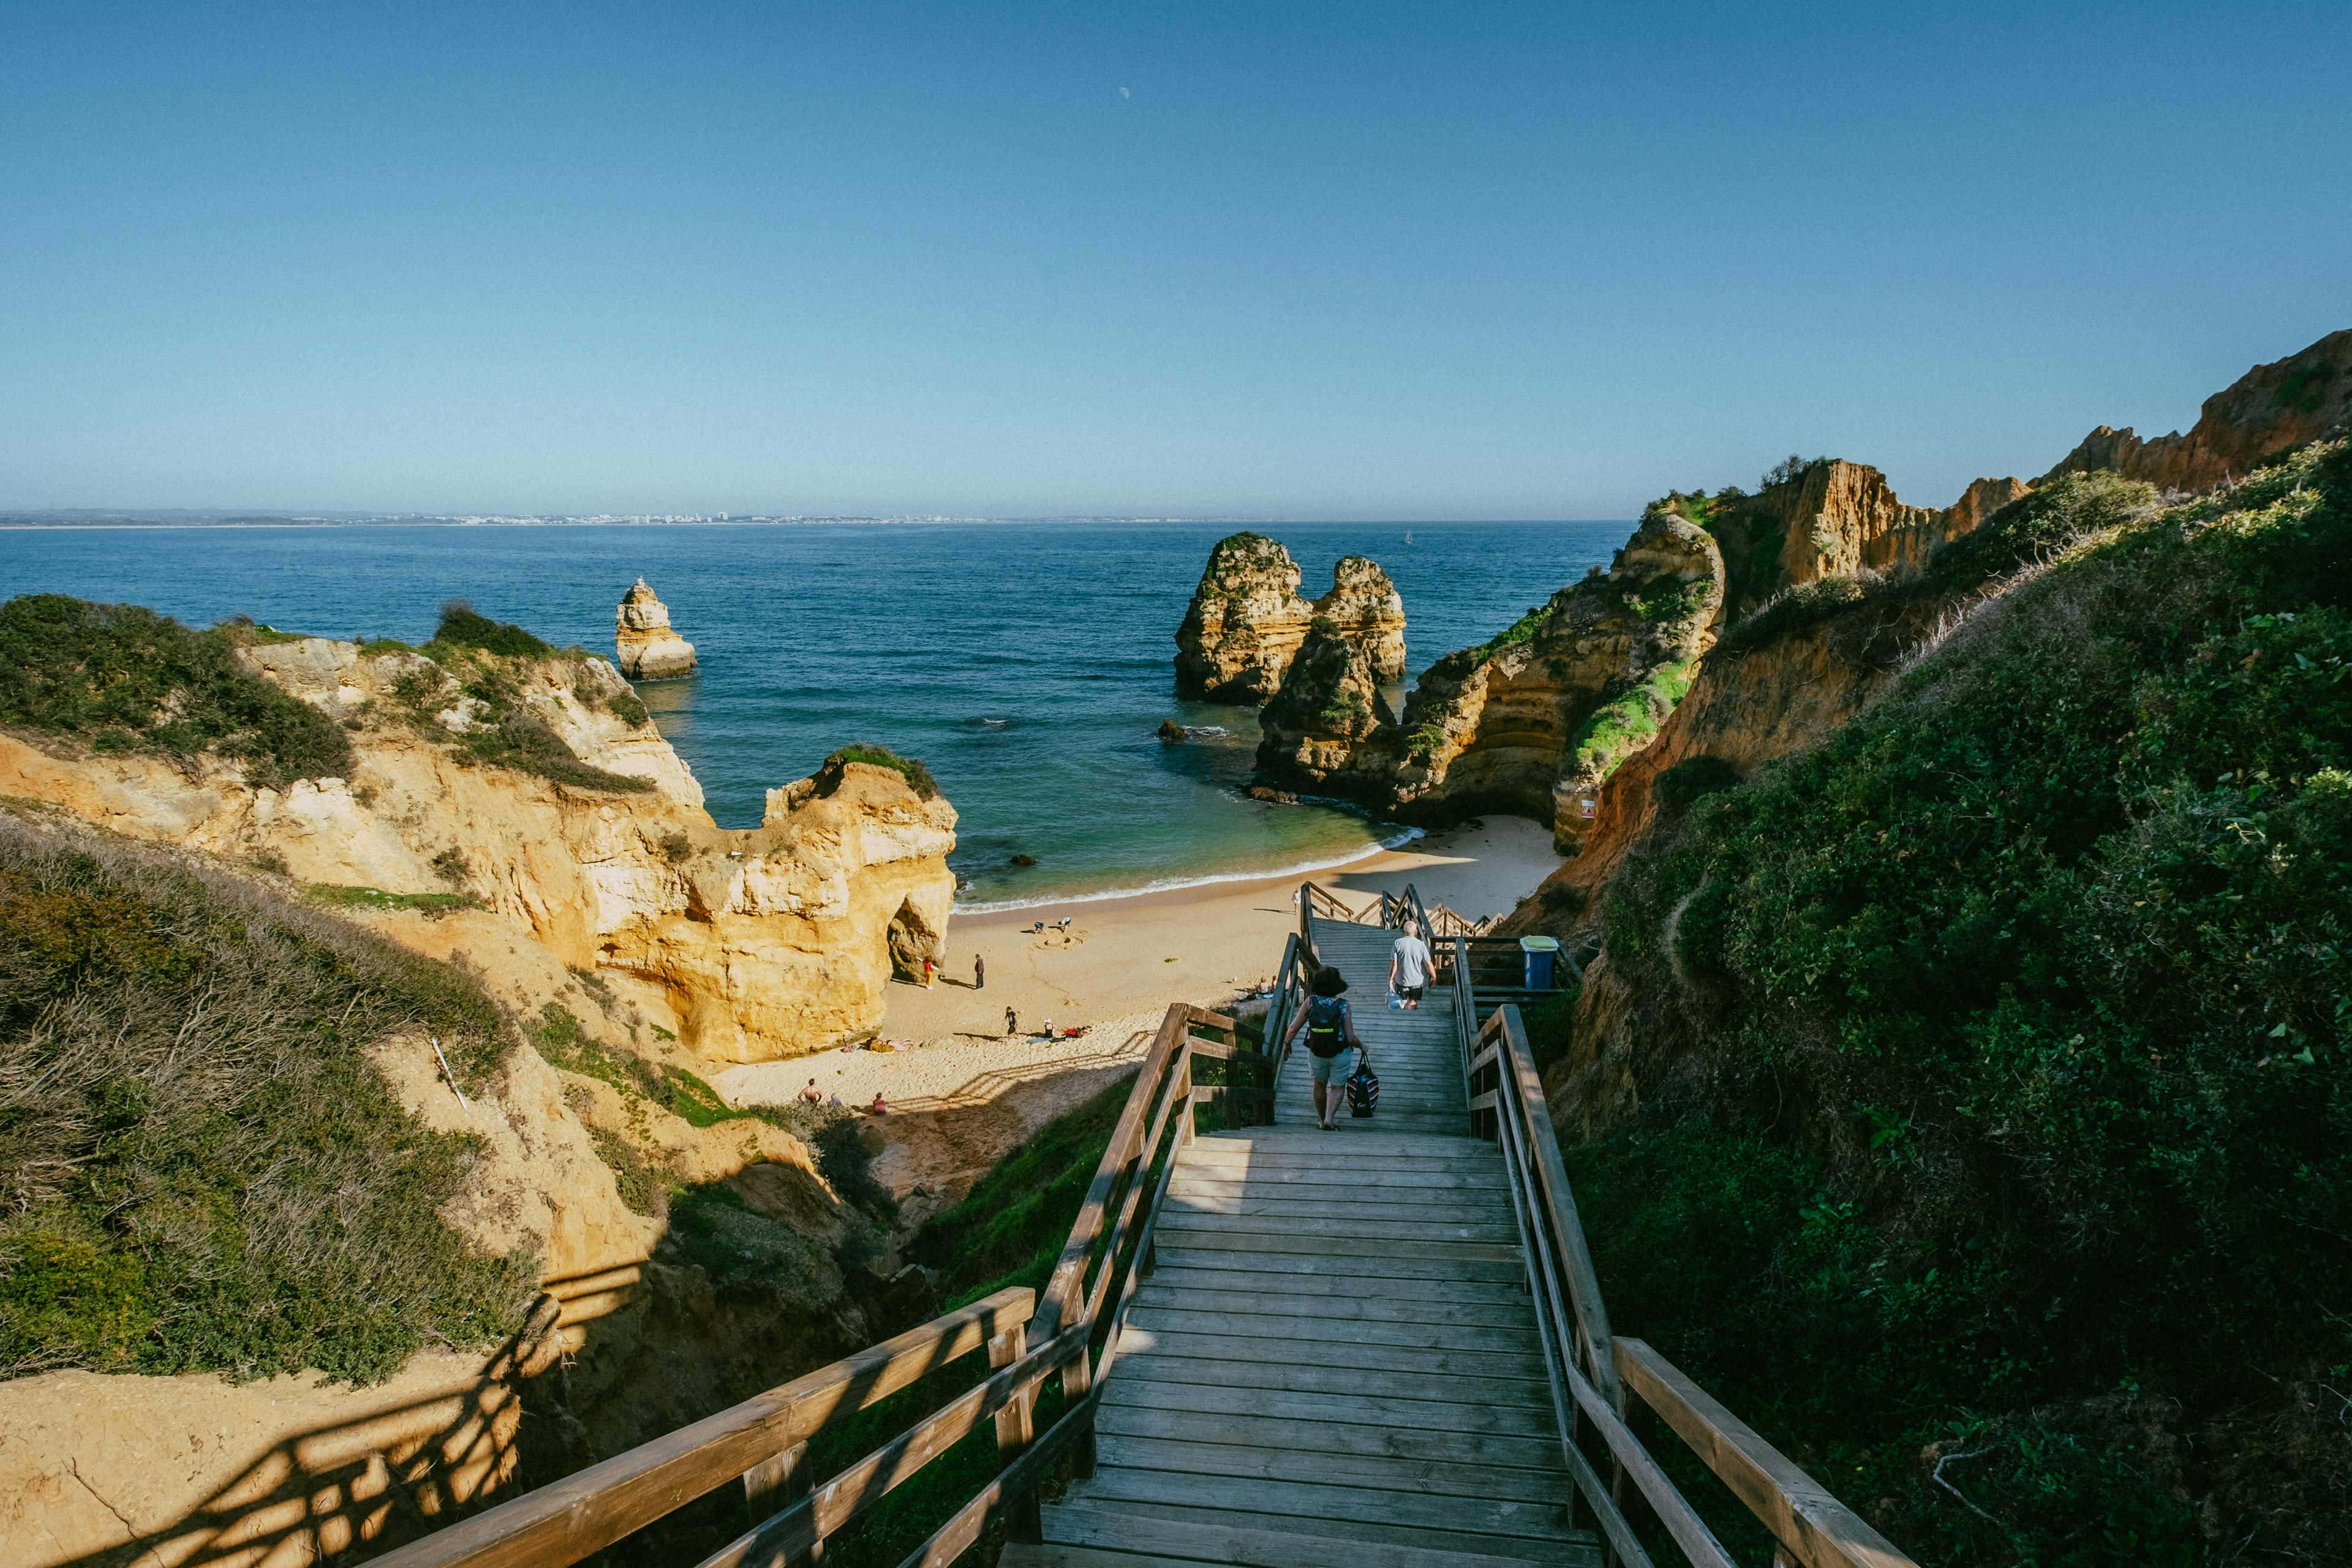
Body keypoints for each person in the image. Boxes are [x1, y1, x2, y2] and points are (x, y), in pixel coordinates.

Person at [1283, 966, 1366, 1131]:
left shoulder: (1310, 1003)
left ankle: (1321, 1120)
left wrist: (1287, 1044)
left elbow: (1293, 1028)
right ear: (1337, 985)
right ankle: (1329, 1118)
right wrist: (1362, 1046)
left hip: (1316, 1051)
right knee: (1337, 1087)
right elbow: (1350, 1037)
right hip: (1340, 1052)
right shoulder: (1344, 1005)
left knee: (1319, 1085)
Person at [1389, 918, 1433, 1011]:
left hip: (1401, 980)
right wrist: (1434, 977)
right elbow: (1428, 963)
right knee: (1413, 1000)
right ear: (1416, 932)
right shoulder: (1421, 944)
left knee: (1402, 1000)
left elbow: (1394, 964)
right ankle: (1413, 1016)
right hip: (1417, 981)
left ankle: (1401, 1018)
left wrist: (1391, 978)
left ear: (1404, 931)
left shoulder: (1398, 943)